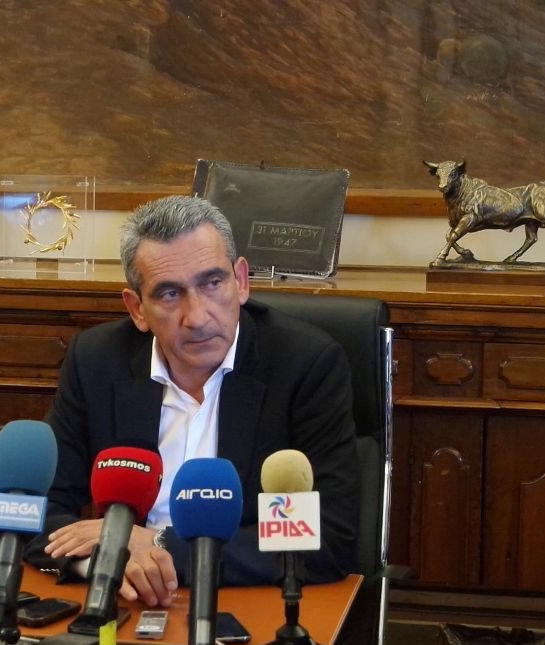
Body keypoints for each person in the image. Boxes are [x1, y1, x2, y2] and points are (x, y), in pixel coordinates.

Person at [28, 195, 359, 609]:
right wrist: (106, 559)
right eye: (169, 294)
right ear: (137, 309)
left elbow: (325, 537)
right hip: (122, 599)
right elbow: (33, 510)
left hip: (249, 604)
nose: (197, 317)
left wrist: (154, 545)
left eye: (212, 283)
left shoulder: (304, 365)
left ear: (241, 281)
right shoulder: (97, 361)